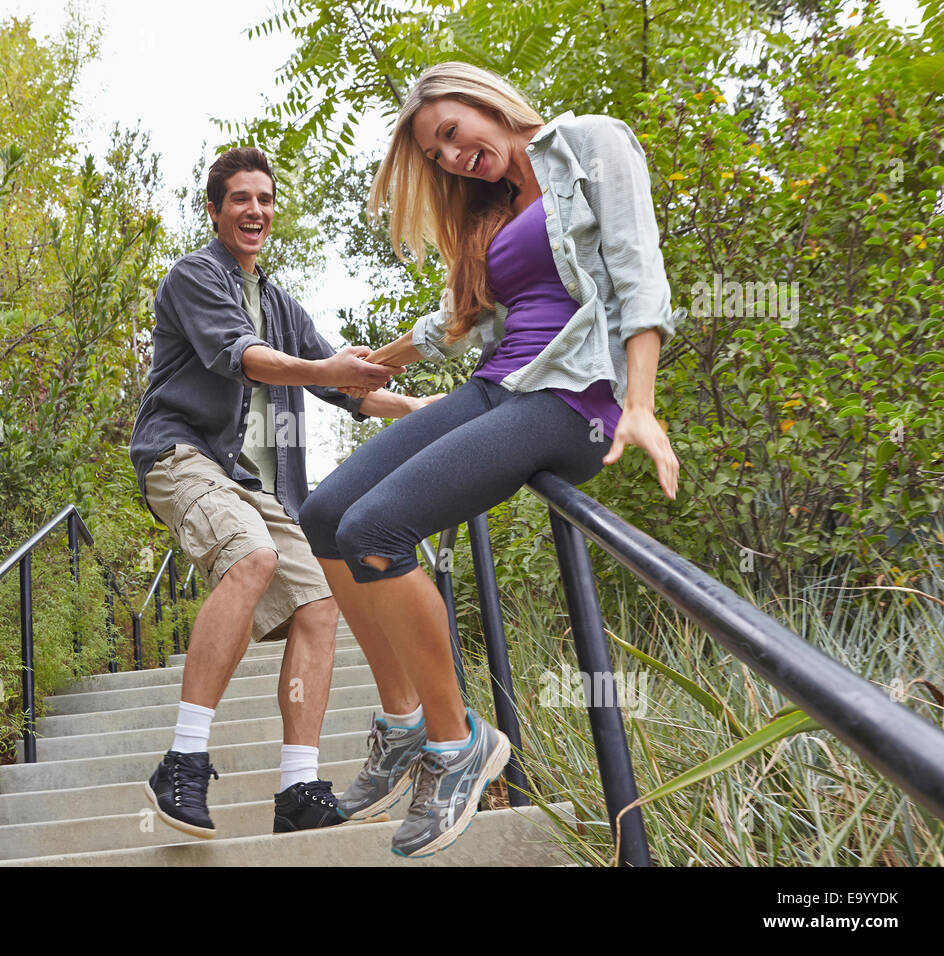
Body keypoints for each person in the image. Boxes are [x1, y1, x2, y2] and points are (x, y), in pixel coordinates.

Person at [298, 62, 684, 858]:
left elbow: (639, 271)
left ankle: (458, 741)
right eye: (437, 156)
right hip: (499, 384)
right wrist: (384, 360)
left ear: (485, 103)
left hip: (573, 398)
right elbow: (463, 318)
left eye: (450, 133)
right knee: (324, 517)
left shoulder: (590, 144)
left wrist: (640, 402)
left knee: (378, 530)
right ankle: (404, 723)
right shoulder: (495, 211)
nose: (451, 157)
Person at [129, 147, 430, 838]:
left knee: (319, 609)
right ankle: (182, 760)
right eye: (240, 198)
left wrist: (416, 407)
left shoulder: (281, 304)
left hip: (256, 486)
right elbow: (247, 358)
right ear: (214, 210)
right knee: (252, 559)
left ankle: (297, 789)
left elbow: (340, 383)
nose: (255, 210)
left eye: (265, 199)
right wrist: (328, 367)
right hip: (181, 455)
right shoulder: (195, 278)